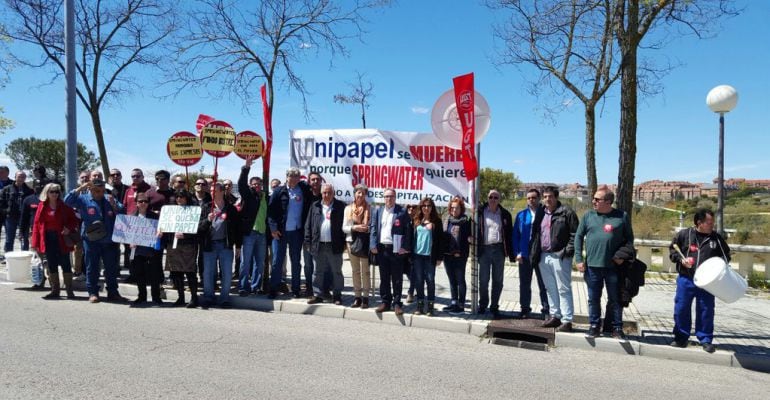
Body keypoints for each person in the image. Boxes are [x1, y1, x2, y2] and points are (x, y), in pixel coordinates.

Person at [574, 187, 635, 339]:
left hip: (613, 267)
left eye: (597, 199)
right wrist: (579, 259)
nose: (593, 201)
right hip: (593, 266)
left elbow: (629, 240)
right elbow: (578, 237)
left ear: (608, 202)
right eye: (593, 198)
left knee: (615, 299)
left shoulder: (621, 216)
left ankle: (617, 328)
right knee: (593, 298)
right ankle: (594, 325)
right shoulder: (588, 216)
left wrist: (622, 255)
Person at [668, 209, 730, 353]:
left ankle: (705, 339)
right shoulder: (684, 235)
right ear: (699, 223)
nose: (712, 225)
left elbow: (726, 257)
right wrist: (681, 260)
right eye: (709, 222)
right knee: (681, 308)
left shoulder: (716, 239)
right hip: (686, 278)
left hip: (707, 283)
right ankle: (681, 337)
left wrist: (716, 267)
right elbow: (673, 251)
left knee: (706, 310)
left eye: (712, 222)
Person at [64, 178, 127, 303]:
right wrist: (81, 188)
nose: (100, 193)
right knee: (92, 267)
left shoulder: (109, 198)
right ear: (91, 189)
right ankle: (93, 292)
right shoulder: (83, 199)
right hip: (91, 240)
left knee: (111, 268)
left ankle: (113, 292)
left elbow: (122, 211)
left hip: (109, 240)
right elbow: (67, 201)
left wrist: (114, 204)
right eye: (97, 190)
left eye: (103, 190)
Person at [529, 186, 578, 331]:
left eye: (550, 196)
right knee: (550, 288)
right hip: (544, 256)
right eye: (545, 197)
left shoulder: (566, 212)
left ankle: (567, 320)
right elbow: (537, 233)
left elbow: (575, 234)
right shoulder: (541, 212)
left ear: (556, 197)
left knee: (563, 288)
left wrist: (567, 251)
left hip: (560, 256)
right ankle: (555, 316)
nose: (547, 199)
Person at [267, 167, 311, 299]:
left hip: (297, 232)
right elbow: (271, 212)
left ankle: (296, 289)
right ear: (287, 177)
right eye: (291, 176)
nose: (294, 178)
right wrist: (273, 228)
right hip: (280, 232)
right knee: (276, 262)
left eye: (297, 176)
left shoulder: (303, 189)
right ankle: (273, 289)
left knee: (296, 261)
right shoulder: (279, 191)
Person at [30, 183, 80, 299]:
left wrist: (68, 228)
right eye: (52, 191)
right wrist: (35, 243)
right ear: (46, 193)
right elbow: (37, 225)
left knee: (66, 264)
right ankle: (55, 290)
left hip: (62, 238)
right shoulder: (42, 206)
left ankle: (69, 291)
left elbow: (74, 220)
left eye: (56, 191)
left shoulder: (64, 206)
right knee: (51, 264)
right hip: (47, 238)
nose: (54, 194)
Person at [369, 188, 413, 315]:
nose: (389, 199)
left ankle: (397, 303)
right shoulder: (378, 211)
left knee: (397, 278)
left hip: (396, 250)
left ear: (395, 197)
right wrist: (372, 244)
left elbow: (408, 231)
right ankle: (385, 301)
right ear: (384, 198)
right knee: (384, 277)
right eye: (387, 196)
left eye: (392, 196)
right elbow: (373, 228)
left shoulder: (402, 211)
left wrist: (404, 247)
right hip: (382, 249)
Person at [198, 182, 238, 308]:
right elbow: (199, 227)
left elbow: (237, 228)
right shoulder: (206, 207)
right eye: (210, 190)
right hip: (209, 245)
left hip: (225, 245)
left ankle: (224, 298)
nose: (211, 192)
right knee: (208, 272)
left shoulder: (230, 208)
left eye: (214, 190)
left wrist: (238, 245)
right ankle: (209, 296)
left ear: (221, 191)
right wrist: (207, 220)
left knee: (226, 273)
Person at [305, 184, 346, 305]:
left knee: (336, 271)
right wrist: (308, 241)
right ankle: (318, 294)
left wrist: (343, 243)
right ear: (321, 193)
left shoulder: (340, 206)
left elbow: (344, 225)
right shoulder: (315, 206)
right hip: (318, 244)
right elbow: (308, 225)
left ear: (333, 193)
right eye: (324, 193)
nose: (326, 195)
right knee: (318, 271)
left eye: (329, 192)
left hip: (335, 245)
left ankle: (337, 295)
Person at [476, 189, 513, 319]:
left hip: (499, 250)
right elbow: (472, 226)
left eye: (496, 197)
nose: (493, 199)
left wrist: (510, 252)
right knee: (483, 280)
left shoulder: (505, 214)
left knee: (498, 280)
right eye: (491, 197)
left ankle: (494, 306)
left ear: (499, 199)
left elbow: (509, 234)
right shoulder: (479, 212)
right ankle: (483, 305)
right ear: (487, 198)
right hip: (484, 250)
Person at [513, 189, 549, 319]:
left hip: (541, 254)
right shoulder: (521, 215)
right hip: (524, 255)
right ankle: (524, 308)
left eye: (533, 197)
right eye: (528, 198)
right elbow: (516, 235)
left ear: (539, 198)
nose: (531, 200)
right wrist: (517, 253)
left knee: (544, 283)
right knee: (524, 284)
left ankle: (546, 309)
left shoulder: (546, 213)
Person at [237, 157, 268, 296]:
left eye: (258, 184)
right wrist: (246, 167)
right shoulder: (248, 195)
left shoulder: (265, 196)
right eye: (254, 184)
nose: (256, 186)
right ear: (250, 185)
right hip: (249, 233)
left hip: (262, 233)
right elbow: (241, 184)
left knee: (259, 263)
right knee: (246, 262)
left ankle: (256, 287)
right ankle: (243, 287)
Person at [165, 190, 200, 308]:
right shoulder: (170, 211)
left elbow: (197, 228)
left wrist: (186, 235)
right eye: (177, 197)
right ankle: (181, 297)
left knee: (190, 272)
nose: (179, 199)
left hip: (188, 245)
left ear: (187, 198)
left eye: (182, 197)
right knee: (175, 272)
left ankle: (194, 298)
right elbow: (165, 225)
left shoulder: (193, 211)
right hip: (173, 245)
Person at [129, 192, 164, 305]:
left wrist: (160, 232)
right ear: (136, 203)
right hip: (137, 250)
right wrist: (129, 242)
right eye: (140, 201)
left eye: (145, 201)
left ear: (148, 203)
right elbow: (125, 234)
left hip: (152, 250)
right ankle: (142, 296)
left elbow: (161, 229)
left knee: (155, 275)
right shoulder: (131, 217)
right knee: (139, 274)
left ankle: (156, 297)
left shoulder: (155, 217)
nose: (143, 203)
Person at [411, 197, 444, 316]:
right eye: (424, 206)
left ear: (432, 208)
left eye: (429, 206)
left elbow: (440, 241)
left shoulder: (437, 221)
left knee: (430, 280)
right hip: (417, 256)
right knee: (419, 281)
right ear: (421, 207)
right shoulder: (416, 219)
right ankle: (419, 305)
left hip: (430, 256)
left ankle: (430, 306)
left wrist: (440, 257)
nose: (426, 208)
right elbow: (412, 238)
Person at [342, 184, 371, 308]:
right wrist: (355, 227)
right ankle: (357, 296)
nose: (360, 195)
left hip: (364, 243)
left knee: (365, 271)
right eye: (358, 192)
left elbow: (371, 226)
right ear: (354, 194)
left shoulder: (369, 208)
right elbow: (344, 228)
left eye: (363, 193)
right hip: (351, 242)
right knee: (355, 271)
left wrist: (365, 228)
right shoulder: (348, 209)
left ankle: (365, 297)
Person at [443, 196, 471, 314]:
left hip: (460, 256)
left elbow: (467, 240)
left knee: (460, 280)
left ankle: (461, 304)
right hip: (447, 255)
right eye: (452, 208)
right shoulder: (446, 220)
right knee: (451, 280)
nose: (454, 210)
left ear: (461, 209)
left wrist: (460, 252)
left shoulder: (465, 222)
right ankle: (453, 302)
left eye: (457, 208)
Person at [0, 171, 34, 253]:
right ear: (15, 177)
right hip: (11, 217)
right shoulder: (7, 189)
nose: (21, 178)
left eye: (23, 177)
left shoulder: (29, 191)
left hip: (24, 218)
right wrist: (6, 211)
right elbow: (1, 202)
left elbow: (32, 203)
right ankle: (8, 256)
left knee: (24, 238)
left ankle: (24, 256)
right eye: (19, 176)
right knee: (9, 238)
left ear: (25, 178)